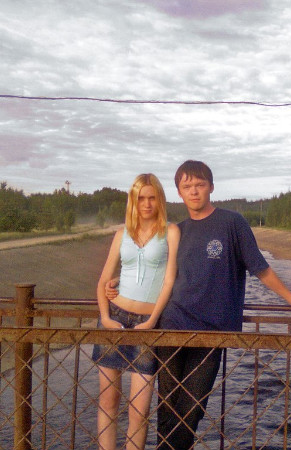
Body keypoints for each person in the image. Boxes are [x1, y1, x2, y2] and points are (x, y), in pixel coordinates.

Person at [107, 160, 291, 450]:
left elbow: (259, 267)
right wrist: (120, 280)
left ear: (211, 187)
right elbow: (156, 270)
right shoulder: (177, 231)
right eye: (187, 186)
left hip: (210, 332)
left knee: (191, 409)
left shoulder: (232, 223)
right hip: (171, 326)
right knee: (167, 407)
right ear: (179, 192)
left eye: (200, 185)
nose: (194, 191)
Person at [92, 173, 180, 450]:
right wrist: (105, 318)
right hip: (115, 318)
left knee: (139, 410)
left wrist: (152, 320)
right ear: (133, 201)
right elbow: (103, 280)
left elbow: (169, 280)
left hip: (146, 323)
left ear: (160, 199)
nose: (147, 204)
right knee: (108, 401)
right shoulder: (122, 235)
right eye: (141, 198)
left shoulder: (170, 232)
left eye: (152, 197)